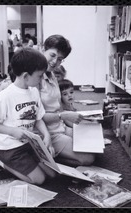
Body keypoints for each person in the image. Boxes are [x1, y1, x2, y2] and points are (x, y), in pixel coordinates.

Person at [0, 47, 56, 185]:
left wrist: (47, 136)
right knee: (39, 180)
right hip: (7, 147)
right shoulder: (5, 95)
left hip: (28, 144)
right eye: (39, 76)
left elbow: (38, 118)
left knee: (52, 173)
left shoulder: (34, 91)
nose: (41, 80)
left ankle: (26, 161)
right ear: (26, 76)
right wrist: (13, 131)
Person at [39, 34, 95, 166]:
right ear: (43, 50)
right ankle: (45, 157)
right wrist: (64, 116)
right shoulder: (35, 78)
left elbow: (58, 107)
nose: (55, 62)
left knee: (94, 143)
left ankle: (50, 155)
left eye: (60, 59)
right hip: (47, 132)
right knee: (89, 158)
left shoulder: (52, 75)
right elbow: (37, 117)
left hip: (59, 126)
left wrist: (77, 124)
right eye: (52, 55)